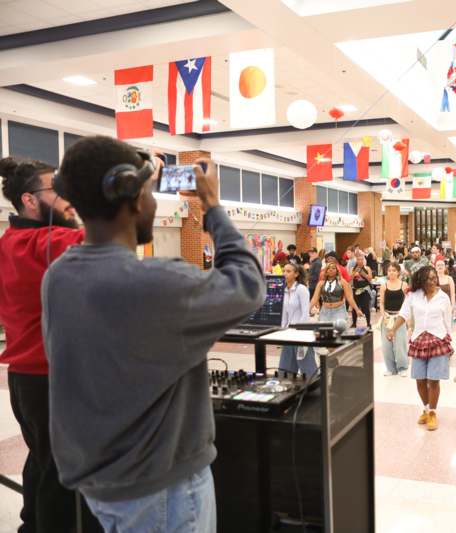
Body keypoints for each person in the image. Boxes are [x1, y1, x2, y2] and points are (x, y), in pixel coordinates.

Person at [41, 137, 266, 531]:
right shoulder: (158, 283)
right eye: (149, 192)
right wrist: (211, 205)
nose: (153, 203)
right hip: (162, 489)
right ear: (129, 196)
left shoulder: (58, 275)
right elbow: (249, 284)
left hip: (102, 481)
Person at [0, 157, 104, 532]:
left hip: (26, 380)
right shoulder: (44, 241)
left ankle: (31, 525)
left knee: (43, 461)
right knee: (64, 477)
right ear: (29, 200)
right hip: (52, 379)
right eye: (58, 190)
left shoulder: (9, 242)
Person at [386, 266, 453, 431]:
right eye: (429, 278)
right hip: (418, 339)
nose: (432, 281)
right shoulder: (412, 296)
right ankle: (425, 408)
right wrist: (393, 329)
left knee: (433, 379)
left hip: (438, 339)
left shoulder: (443, 298)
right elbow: (403, 314)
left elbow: (448, 321)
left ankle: (432, 413)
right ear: (421, 280)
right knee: (420, 379)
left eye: (434, 278)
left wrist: (450, 343)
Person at [278, 262, 317, 377]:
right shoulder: (284, 290)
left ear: (296, 274)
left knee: (308, 369)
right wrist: (282, 330)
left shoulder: (301, 289)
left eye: (288, 271)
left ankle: (316, 390)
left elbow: (305, 313)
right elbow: (284, 314)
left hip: (301, 334)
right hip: (288, 334)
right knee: (285, 370)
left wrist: (299, 332)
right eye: (284, 271)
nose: (285, 274)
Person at [310, 261, 364, 326]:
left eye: (333, 268)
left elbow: (349, 298)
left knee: (339, 329)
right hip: (325, 311)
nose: (331, 270)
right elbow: (315, 298)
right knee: (325, 331)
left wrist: (357, 310)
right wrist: (308, 309)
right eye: (329, 268)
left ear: (337, 271)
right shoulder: (321, 283)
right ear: (326, 271)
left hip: (339, 310)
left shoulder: (342, 282)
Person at [379, 262, 409, 377]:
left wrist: (403, 316)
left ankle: (402, 367)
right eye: (389, 270)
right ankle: (390, 368)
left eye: (394, 270)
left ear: (398, 272)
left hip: (399, 318)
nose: (391, 272)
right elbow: (381, 303)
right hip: (387, 317)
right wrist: (383, 314)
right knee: (386, 344)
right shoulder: (384, 285)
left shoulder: (404, 285)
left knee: (400, 344)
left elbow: (407, 303)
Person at [350, 250, 373, 327]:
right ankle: (354, 323)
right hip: (355, 289)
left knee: (366, 307)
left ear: (364, 260)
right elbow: (349, 279)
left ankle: (368, 323)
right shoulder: (353, 268)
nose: (359, 261)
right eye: (358, 259)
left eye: (361, 259)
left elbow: (370, 279)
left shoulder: (367, 268)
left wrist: (362, 273)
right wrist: (354, 273)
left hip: (364, 290)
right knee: (354, 308)